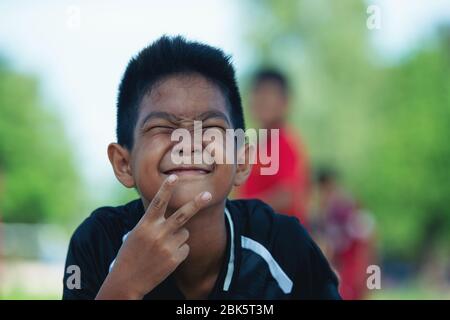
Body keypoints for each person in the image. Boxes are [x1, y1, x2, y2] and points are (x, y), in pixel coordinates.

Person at [62, 36, 340, 300]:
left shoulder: (285, 246)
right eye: (162, 127)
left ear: (242, 161)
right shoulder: (97, 243)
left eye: (211, 127)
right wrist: (124, 286)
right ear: (124, 164)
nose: (189, 144)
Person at [237, 70, 310, 225]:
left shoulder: (285, 142)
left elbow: (287, 195)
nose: (263, 101)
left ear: (285, 103)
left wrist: (242, 210)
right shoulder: (256, 145)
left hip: (280, 239)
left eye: (269, 96)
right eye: (258, 94)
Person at [313, 168, 376, 300]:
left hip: (352, 269)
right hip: (341, 270)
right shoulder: (324, 212)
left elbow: (368, 238)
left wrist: (368, 274)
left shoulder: (346, 208)